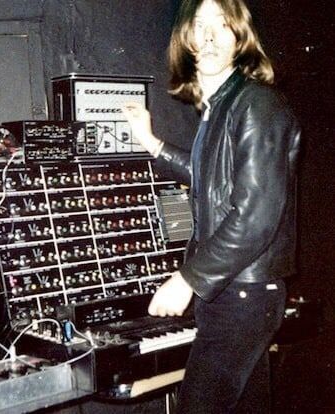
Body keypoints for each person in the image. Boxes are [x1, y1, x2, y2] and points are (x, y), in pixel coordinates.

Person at [122, 0, 301, 412]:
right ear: (184, 38)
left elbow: (255, 215)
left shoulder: (257, 104)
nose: (209, 36)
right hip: (232, 289)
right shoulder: (220, 107)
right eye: (199, 25)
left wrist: (187, 280)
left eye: (222, 25)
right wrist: (153, 143)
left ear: (240, 38)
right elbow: (213, 179)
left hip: (244, 294)